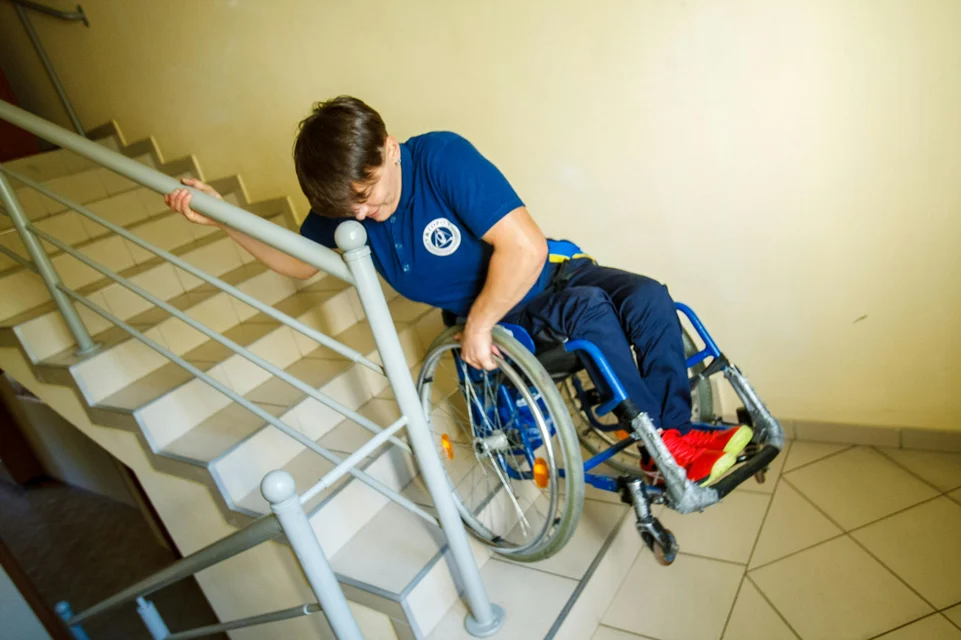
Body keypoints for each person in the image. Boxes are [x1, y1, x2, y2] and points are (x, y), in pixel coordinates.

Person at [165, 96, 752, 485]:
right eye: (347, 208)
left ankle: (671, 435)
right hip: (517, 315)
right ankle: (666, 446)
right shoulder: (347, 210)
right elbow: (298, 264)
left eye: (366, 194)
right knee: (591, 310)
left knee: (648, 295)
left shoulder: (440, 157)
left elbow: (526, 249)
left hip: (547, 272)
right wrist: (222, 217)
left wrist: (478, 323)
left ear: (388, 146)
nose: (361, 215)